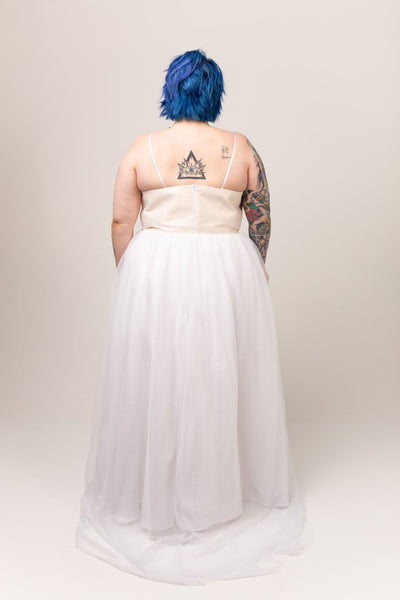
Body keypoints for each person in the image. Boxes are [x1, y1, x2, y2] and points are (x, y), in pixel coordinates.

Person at [76, 48, 312, 585]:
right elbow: (260, 216)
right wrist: (254, 266)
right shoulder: (241, 147)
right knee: (217, 375)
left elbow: (120, 221)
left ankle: (157, 495)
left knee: (158, 378)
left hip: (156, 268)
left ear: (170, 91)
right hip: (225, 268)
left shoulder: (142, 148)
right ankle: (218, 493)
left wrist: (131, 273)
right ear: (214, 94)